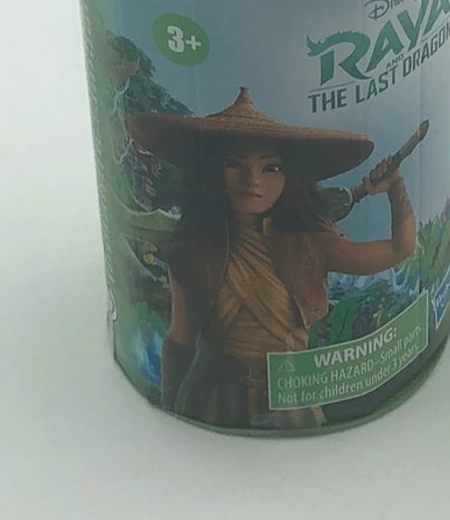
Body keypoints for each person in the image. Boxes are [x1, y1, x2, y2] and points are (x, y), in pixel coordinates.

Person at [126, 87, 416, 430]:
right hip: (210, 396)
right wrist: (171, 412)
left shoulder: (310, 244)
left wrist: (396, 187)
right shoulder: (191, 248)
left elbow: (399, 248)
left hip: (290, 396)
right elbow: (180, 338)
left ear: (290, 176)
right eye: (233, 164)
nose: (253, 181)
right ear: (211, 171)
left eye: (271, 167)